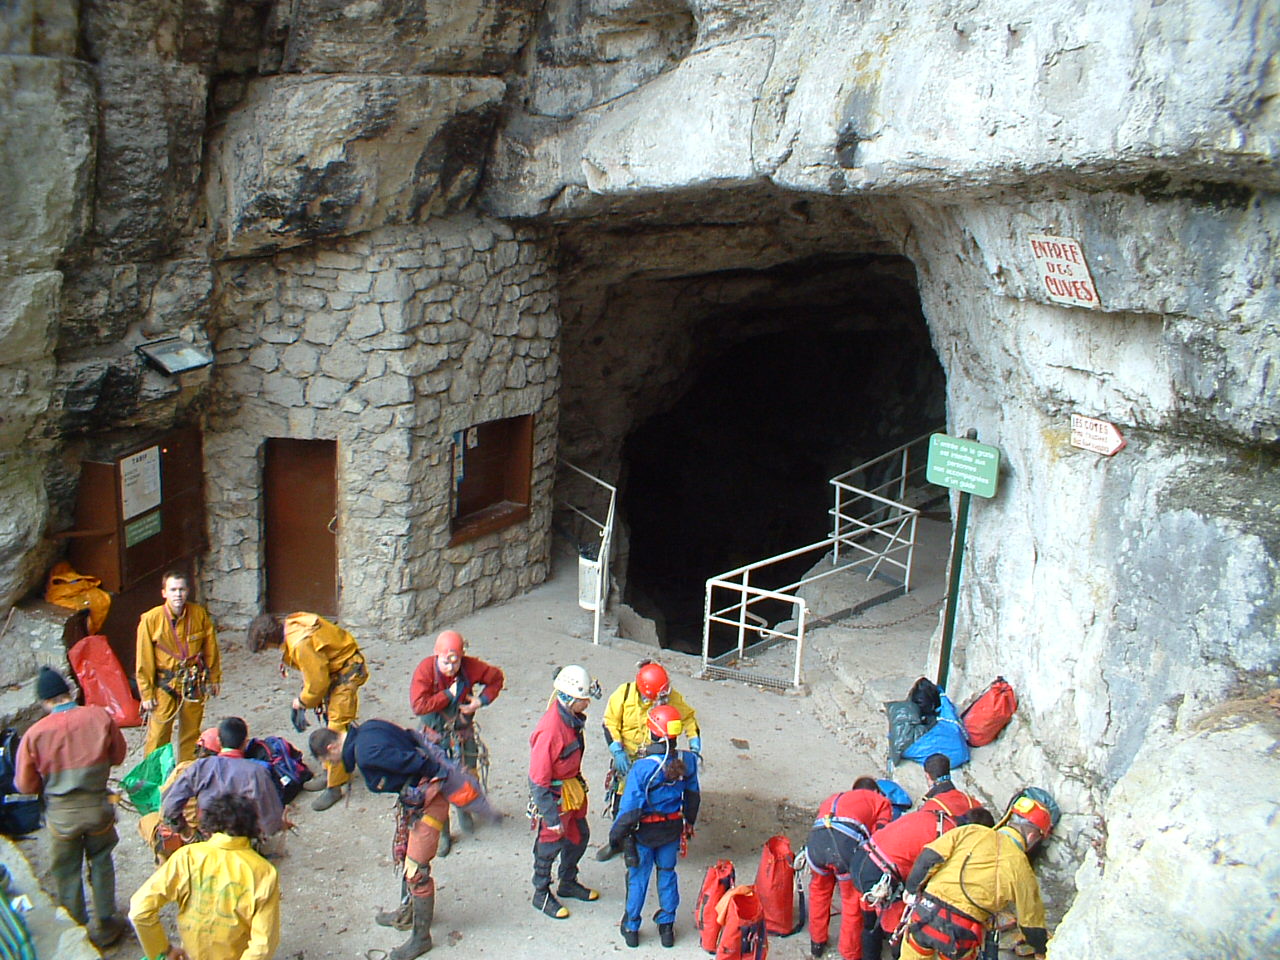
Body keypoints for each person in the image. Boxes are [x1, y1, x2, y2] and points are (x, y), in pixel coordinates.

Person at [310, 718, 499, 960]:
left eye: (326, 760)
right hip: (420, 797)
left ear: (331, 747)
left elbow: (419, 762)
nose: (328, 764)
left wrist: (426, 787)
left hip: (429, 799)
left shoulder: (366, 753)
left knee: (416, 871)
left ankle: (421, 938)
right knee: (408, 854)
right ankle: (407, 913)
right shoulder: (369, 728)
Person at [14, 666, 128, 947]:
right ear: (69, 693)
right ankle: (106, 924)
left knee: (66, 871)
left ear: (45, 702)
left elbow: (25, 786)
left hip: (61, 818)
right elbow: (118, 756)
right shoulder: (99, 716)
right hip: (98, 809)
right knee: (101, 861)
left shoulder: (34, 734)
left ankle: (77, 928)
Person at [849, 756, 988, 960]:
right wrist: (913, 892)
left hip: (867, 856)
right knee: (897, 919)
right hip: (880, 869)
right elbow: (925, 867)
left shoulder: (935, 812)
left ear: (928, 776)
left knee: (872, 917)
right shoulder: (967, 809)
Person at [129, 793, 281, 960]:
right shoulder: (264, 872)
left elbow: (139, 910)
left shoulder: (187, 857)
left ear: (208, 826)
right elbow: (263, 945)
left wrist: (163, 951)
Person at [900, 796, 1053, 960]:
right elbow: (1031, 923)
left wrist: (911, 889)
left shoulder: (970, 831)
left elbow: (929, 858)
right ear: (1032, 836)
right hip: (960, 932)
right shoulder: (1021, 868)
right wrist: (1041, 949)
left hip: (925, 914)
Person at [247, 611, 369, 811]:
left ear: (268, 640)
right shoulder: (291, 625)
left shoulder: (299, 644)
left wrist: (303, 701)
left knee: (335, 730)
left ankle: (335, 786)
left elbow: (317, 682)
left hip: (345, 673)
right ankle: (330, 772)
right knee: (330, 723)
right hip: (337, 671)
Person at [607, 704, 700, 949]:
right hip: (671, 831)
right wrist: (689, 823)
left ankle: (631, 928)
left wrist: (615, 837)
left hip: (644, 834)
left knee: (638, 879)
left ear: (653, 732)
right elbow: (693, 796)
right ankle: (667, 927)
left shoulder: (643, 768)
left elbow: (630, 809)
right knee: (667, 873)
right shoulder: (688, 761)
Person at [409, 629, 505, 855]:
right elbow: (419, 705)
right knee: (437, 786)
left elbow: (496, 678)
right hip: (435, 738)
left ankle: (465, 810)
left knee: (467, 776)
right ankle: (443, 833)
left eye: (456, 661)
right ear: (437, 655)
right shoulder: (425, 670)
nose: (451, 667)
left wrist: (480, 701)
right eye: (446, 662)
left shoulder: (470, 667)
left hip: (462, 735)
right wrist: (449, 695)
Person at [599, 660, 701, 855]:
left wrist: (694, 742)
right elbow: (610, 722)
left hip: (656, 761)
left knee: (655, 801)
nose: (662, 699)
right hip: (628, 761)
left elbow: (688, 718)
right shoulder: (623, 695)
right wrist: (617, 750)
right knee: (623, 803)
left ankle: (653, 841)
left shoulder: (669, 698)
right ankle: (618, 842)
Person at [529, 664, 602, 919]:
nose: (587, 703)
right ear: (570, 699)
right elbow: (538, 780)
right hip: (556, 797)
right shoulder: (551, 730)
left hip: (571, 792)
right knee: (549, 845)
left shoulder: (570, 720)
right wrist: (550, 818)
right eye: (584, 699)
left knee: (579, 836)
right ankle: (540, 893)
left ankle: (568, 882)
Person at [136, 571, 221, 762]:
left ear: (188, 591)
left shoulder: (199, 614)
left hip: (193, 682)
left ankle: (186, 773)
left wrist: (214, 678)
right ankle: (154, 777)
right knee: (158, 736)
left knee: (191, 733)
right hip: (165, 684)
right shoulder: (151, 620)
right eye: (173, 590)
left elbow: (211, 649)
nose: (178, 594)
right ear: (164, 593)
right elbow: (143, 659)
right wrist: (146, 693)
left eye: (181, 589)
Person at [805, 776, 893, 960]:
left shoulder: (834, 798)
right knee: (851, 900)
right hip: (844, 846)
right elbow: (880, 838)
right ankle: (850, 953)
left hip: (816, 844)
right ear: (875, 791)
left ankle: (817, 943)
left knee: (819, 891)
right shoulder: (880, 801)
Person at [161, 717, 285, 843]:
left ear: (219, 741)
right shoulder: (257, 772)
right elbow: (271, 821)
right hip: (244, 841)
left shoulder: (200, 767)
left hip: (208, 838)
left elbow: (170, 805)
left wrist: (184, 830)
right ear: (245, 743)